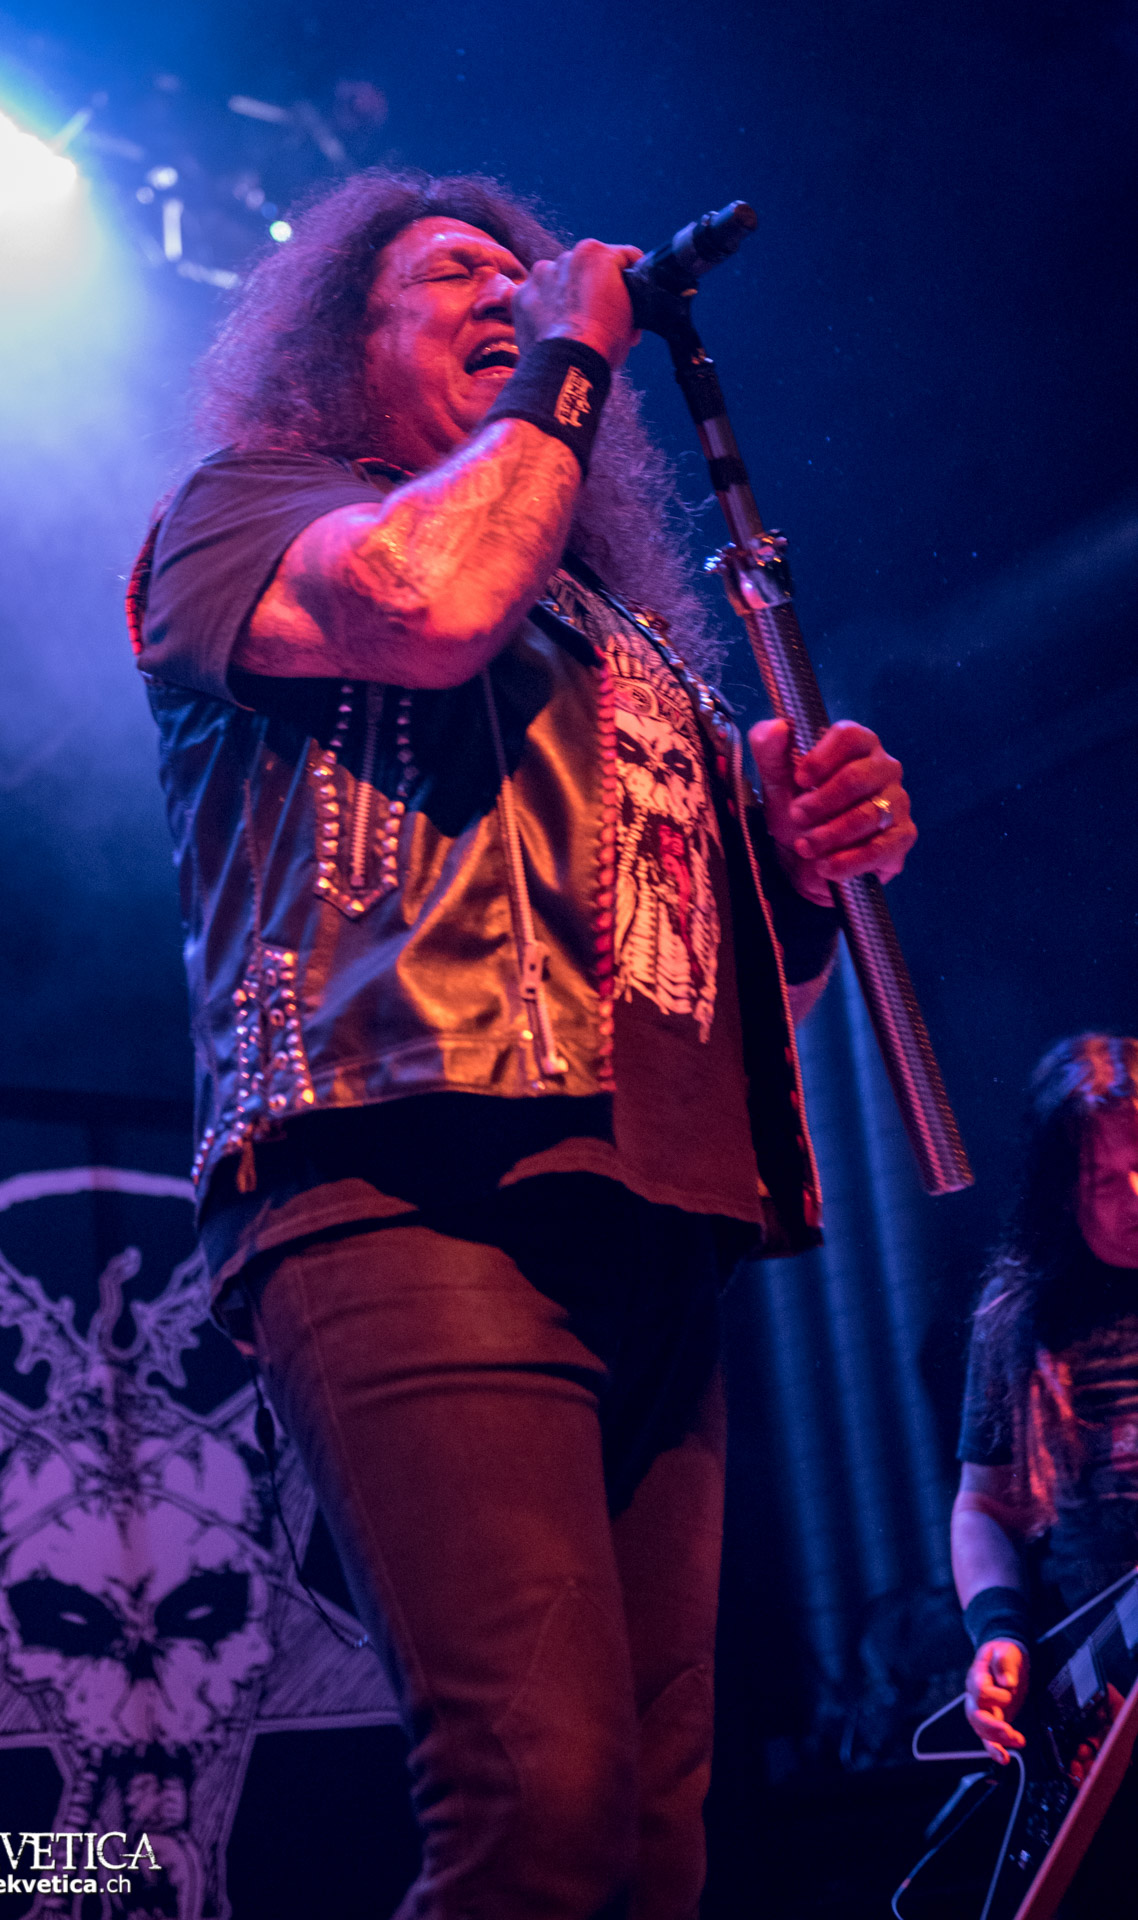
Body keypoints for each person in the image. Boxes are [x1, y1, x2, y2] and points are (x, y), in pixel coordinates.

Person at [129, 170, 917, 1919]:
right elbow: (424, 606)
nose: (513, 288)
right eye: (454, 273)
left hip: (649, 1221)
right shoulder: (248, 513)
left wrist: (792, 880)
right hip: (405, 1186)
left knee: (650, 1842)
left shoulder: (618, 647)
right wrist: (571, 352)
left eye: (526, 270)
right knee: (536, 1807)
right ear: (341, 342)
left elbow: (713, 999)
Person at [952, 1033, 1138, 1906]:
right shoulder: (1016, 1320)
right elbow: (983, 1508)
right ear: (1062, 1192)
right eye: (1103, 1181)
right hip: (1099, 1701)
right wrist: (998, 1632)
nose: (1134, 1199)